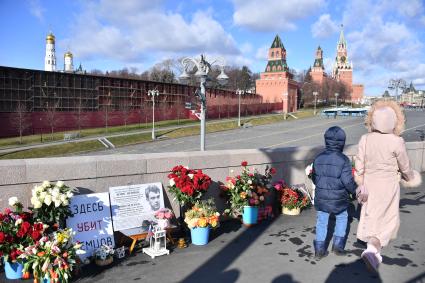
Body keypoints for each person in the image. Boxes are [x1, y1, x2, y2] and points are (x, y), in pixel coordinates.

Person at [354, 99, 421, 273]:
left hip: (369, 183)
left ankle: (372, 251)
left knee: (372, 218)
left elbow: (359, 164)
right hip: (389, 185)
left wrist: (361, 182)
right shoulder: (396, 141)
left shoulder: (365, 139)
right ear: (395, 121)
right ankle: (373, 251)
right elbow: (405, 166)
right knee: (387, 221)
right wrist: (410, 177)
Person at [312, 126, 357, 258]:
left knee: (322, 221)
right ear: (342, 142)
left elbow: (314, 177)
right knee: (342, 217)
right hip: (339, 198)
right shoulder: (343, 159)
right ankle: (338, 246)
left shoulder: (318, 158)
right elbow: (347, 181)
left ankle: (319, 249)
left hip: (322, 196)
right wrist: (355, 191)